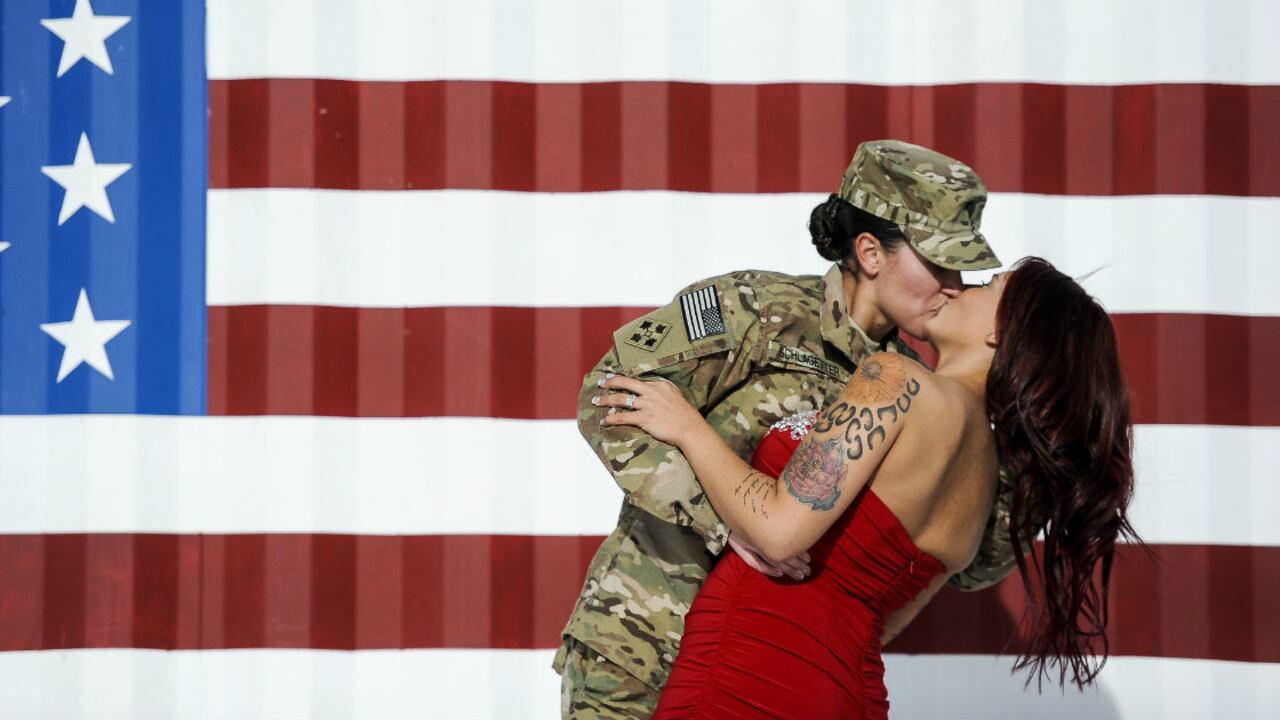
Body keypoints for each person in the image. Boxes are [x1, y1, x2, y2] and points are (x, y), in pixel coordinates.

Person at [555, 139, 1013, 718]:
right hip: (641, 638)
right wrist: (732, 525)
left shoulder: (921, 391)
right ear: (870, 252)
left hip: (768, 668)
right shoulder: (755, 308)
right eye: (940, 261)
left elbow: (967, 566)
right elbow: (608, 394)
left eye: (963, 269)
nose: (955, 285)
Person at [597, 257, 1139, 718]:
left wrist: (687, 427)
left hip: (747, 667)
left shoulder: (898, 381)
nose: (959, 287)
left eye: (988, 287)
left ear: (1002, 330)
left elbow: (780, 533)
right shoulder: (982, 482)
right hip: (847, 689)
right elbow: (879, 618)